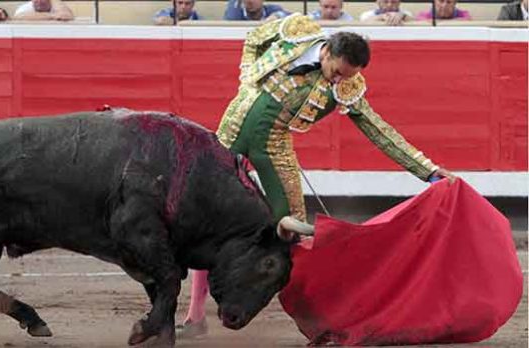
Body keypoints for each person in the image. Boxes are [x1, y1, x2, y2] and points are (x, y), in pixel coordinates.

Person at [176, 13, 456, 338]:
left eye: (345, 78)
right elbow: (253, 39)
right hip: (231, 131)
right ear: (327, 52)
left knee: (294, 231)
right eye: (337, 73)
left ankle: (321, 316)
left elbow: (379, 131)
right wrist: (247, 78)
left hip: (274, 148)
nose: (338, 82)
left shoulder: (346, 85)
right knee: (206, 218)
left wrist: (428, 170)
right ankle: (195, 316)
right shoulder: (297, 32)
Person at [224, 0, 290, 21]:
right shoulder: (236, 13)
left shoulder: (271, 9)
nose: (250, 1)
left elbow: (294, 16)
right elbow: (230, 20)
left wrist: (278, 15)